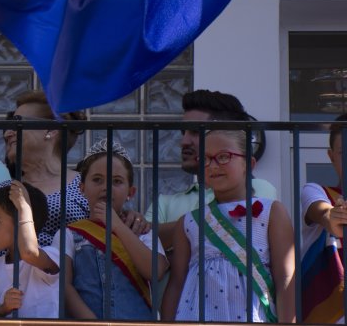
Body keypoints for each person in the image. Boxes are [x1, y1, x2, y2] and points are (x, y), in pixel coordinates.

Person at [161, 128, 296, 323]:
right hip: (196, 318)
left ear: (248, 164)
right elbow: (176, 283)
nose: (213, 165)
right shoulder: (189, 222)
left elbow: (285, 277)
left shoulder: (272, 212)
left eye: (223, 157)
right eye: (205, 159)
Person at [147, 91, 277, 243]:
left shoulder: (257, 187)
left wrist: (170, 235)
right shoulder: (164, 203)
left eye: (195, 131)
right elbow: (142, 244)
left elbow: (244, 231)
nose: (184, 142)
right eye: (183, 132)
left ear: (225, 135)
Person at [66, 140, 169, 320]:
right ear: (82, 188)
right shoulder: (69, 234)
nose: (106, 187)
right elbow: (64, 286)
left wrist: (118, 226)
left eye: (117, 181)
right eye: (97, 180)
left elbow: (156, 272)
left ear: (131, 192)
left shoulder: (142, 231)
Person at [0, 92, 97, 248]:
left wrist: (131, 218)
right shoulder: (2, 190)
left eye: (17, 123)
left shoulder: (86, 187)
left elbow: (108, 229)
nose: (7, 134)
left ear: (50, 130)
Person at [0, 181, 62, 318]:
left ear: (22, 219)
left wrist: (23, 207)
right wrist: (3, 309)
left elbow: (29, 252)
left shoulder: (51, 255)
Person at [297, 112, 347, 323]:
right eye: (344, 152)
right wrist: (332, 217)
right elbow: (323, 212)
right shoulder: (317, 191)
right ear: (331, 156)